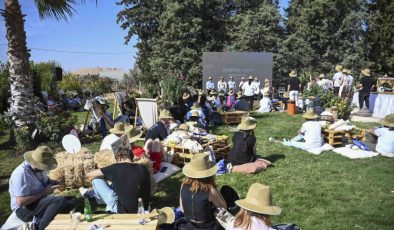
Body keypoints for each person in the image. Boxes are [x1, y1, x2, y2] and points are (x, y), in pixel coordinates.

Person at [9, 146, 76, 230]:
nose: (44, 169)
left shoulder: (38, 169)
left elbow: (45, 181)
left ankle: (42, 217)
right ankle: (39, 227)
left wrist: (56, 183)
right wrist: (44, 192)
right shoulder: (22, 174)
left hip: (39, 202)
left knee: (72, 200)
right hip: (24, 210)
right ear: (35, 163)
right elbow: (21, 202)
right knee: (60, 200)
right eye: (43, 166)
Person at [87, 147, 151, 213]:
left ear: (120, 157)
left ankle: (104, 202)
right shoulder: (143, 168)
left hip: (124, 212)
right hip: (144, 209)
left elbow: (89, 175)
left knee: (96, 180)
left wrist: (102, 176)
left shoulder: (116, 167)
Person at [179, 153, 227, 229]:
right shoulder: (209, 189)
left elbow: (182, 209)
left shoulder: (183, 185)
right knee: (227, 190)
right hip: (206, 226)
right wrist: (214, 187)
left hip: (189, 226)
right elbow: (224, 207)